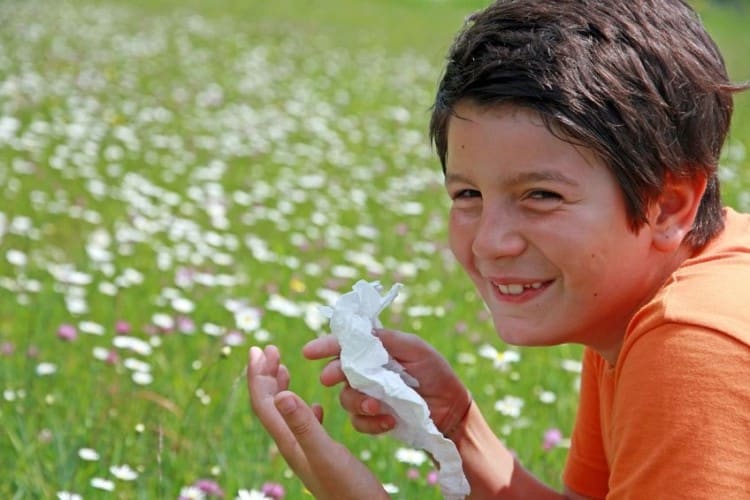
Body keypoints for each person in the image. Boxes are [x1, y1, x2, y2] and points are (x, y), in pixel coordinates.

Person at [247, 0, 750, 498]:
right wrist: (454, 425)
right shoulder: (642, 303)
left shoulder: (692, 344)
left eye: (541, 196)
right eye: (468, 195)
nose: (490, 242)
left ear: (667, 207)